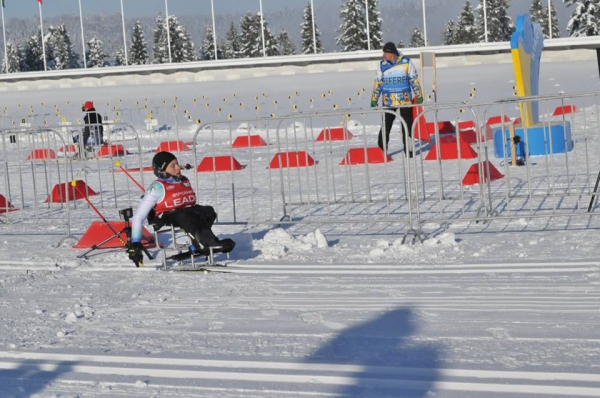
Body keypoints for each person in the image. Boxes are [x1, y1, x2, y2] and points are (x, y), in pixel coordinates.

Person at [127, 151, 235, 266]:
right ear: (162, 170)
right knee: (184, 215)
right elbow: (138, 217)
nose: (178, 167)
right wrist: (136, 243)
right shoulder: (157, 187)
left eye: (177, 163)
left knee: (208, 211)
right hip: (167, 216)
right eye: (173, 166)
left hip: (186, 212)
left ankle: (203, 242)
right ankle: (204, 245)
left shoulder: (183, 180)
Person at [371, 42, 423, 156]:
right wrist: (374, 98)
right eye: (383, 53)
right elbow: (378, 83)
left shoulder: (406, 62)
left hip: (405, 100)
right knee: (386, 125)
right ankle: (381, 150)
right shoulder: (381, 65)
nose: (384, 55)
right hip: (389, 100)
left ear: (393, 54)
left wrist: (419, 95)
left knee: (407, 126)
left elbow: (413, 79)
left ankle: (409, 150)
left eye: (386, 53)